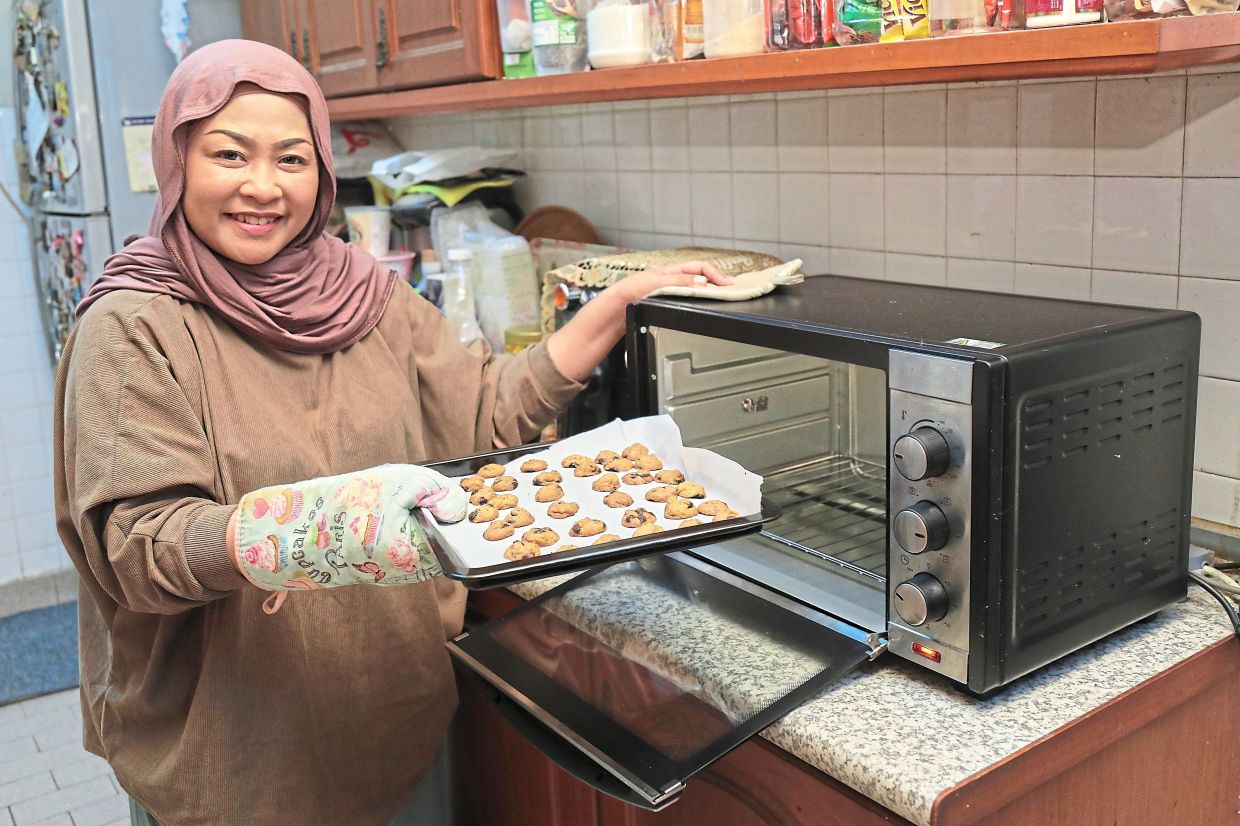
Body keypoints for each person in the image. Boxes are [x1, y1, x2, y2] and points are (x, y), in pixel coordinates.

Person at [52, 39, 730, 826]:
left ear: (321, 173)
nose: (262, 187)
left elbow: (483, 411)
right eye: (229, 154)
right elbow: (140, 548)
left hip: (391, 718)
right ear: (177, 161)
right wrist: (314, 530)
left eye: (292, 160)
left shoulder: (362, 292)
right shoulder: (134, 326)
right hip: (232, 755)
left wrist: (610, 308)